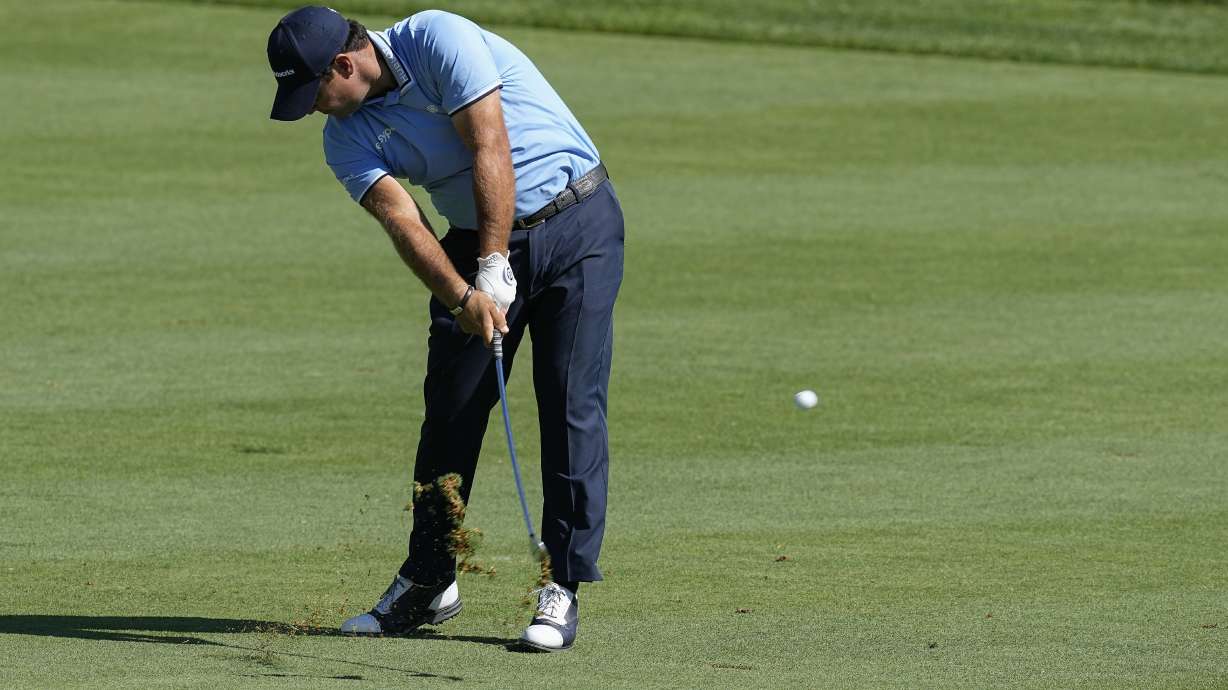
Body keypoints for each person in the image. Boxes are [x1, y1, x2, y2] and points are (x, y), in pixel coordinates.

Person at [266, 7, 623, 652]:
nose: (314, 108)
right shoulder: (343, 137)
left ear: (343, 65)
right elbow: (403, 222)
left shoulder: (439, 37)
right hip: (470, 243)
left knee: (570, 407)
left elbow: (489, 142)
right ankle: (430, 579)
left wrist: (493, 264)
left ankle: (561, 584)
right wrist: (463, 296)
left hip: (577, 225)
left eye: (314, 92)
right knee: (451, 413)